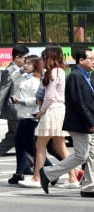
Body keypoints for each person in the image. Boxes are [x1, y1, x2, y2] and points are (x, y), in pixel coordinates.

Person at [19, 45, 78, 188]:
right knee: (60, 146)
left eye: (45, 56)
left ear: (50, 57)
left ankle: (37, 177)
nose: (43, 59)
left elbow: (50, 96)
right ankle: (73, 178)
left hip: (52, 110)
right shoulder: (60, 71)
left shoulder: (54, 72)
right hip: (57, 109)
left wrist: (41, 111)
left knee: (40, 145)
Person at [40, 48, 94, 196]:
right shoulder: (76, 76)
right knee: (81, 155)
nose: (93, 62)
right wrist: (91, 122)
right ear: (81, 60)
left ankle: (89, 187)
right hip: (79, 123)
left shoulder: (86, 76)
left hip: (86, 121)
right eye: (91, 59)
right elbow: (79, 102)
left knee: (91, 155)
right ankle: (48, 172)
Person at [8, 55, 45, 184]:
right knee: (20, 144)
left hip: (31, 116)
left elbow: (37, 100)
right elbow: (12, 78)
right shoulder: (25, 77)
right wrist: (21, 70)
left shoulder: (35, 81)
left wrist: (21, 101)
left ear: (35, 66)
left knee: (31, 147)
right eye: (25, 63)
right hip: (23, 115)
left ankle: (49, 169)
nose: (25, 65)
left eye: (29, 64)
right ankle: (19, 172)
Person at [0, 45, 29, 166]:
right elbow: (3, 91)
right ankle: (34, 164)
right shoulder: (10, 70)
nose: (26, 61)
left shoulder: (21, 69)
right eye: (25, 58)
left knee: (13, 138)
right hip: (14, 110)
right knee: (24, 139)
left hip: (20, 109)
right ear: (17, 57)